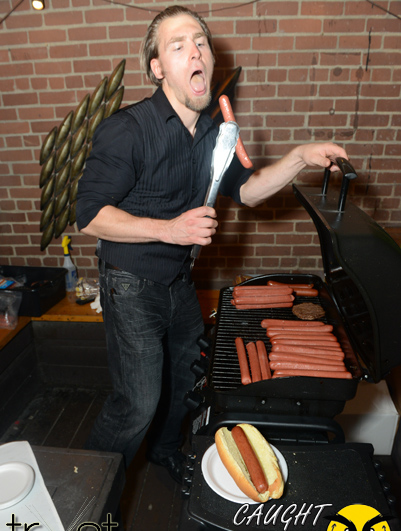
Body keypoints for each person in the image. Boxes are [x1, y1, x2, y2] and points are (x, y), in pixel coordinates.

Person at [76, 5, 348, 483]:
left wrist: (299, 157)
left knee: (186, 377)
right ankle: (88, 490)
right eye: (178, 46)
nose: (195, 52)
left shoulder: (212, 132)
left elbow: (248, 191)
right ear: (158, 69)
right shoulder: (127, 129)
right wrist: (169, 230)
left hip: (179, 281)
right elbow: (89, 216)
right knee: (137, 402)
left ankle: (164, 451)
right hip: (130, 284)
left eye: (200, 42)